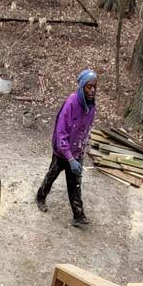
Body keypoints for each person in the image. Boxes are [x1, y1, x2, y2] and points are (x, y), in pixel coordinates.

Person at [36, 69, 97, 228]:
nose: (92, 90)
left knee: (75, 183)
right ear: (82, 86)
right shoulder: (71, 104)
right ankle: (40, 197)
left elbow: (85, 130)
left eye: (94, 86)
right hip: (62, 152)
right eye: (89, 87)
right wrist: (69, 158)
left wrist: (80, 152)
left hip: (76, 152)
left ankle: (78, 215)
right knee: (52, 175)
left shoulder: (91, 107)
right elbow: (61, 133)